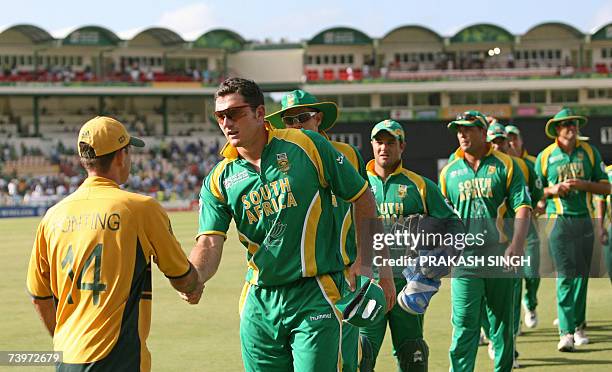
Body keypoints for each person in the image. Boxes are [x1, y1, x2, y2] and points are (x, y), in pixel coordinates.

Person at [187, 78, 391, 371]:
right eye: (220, 116)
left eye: (234, 113)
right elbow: (208, 242)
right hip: (259, 300)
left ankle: (356, 351)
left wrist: (371, 263)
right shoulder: (219, 178)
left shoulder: (307, 146)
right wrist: (194, 277)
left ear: (259, 114)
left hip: (315, 292)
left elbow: (362, 197)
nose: (226, 122)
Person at [26, 116, 201, 371]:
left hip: (68, 359)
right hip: (119, 358)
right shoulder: (141, 209)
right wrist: (194, 285)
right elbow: (182, 276)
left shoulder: (53, 216)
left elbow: (38, 296)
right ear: (121, 156)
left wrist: (66, 341)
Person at [265, 89, 395, 372]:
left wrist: (384, 274)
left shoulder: (347, 154)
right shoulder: (279, 163)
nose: (296, 125)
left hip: (344, 278)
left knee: (342, 364)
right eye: (289, 121)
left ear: (319, 119)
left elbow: (369, 214)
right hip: (297, 283)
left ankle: (358, 352)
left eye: (303, 117)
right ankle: (360, 351)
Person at [362, 119, 461, 371]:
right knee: (360, 355)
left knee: (412, 354)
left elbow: (455, 225)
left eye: (391, 142)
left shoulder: (420, 185)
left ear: (402, 146)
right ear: (372, 145)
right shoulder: (357, 183)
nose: (384, 148)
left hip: (407, 284)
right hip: (367, 284)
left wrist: (443, 257)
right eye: (379, 142)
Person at [439, 110, 531, 372]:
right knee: (464, 321)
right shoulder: (449, 173)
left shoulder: (506, 165)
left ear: (482, 132)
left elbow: (523, 206)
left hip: (500, 254)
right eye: (458, 130)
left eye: (468, 129)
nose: (462, 134)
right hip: (465, 259)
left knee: (502, 323)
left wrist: (517, 244)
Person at [534, 108, 610, 351]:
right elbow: (535, 191)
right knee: (565, 276)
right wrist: (552, 190)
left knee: (581, 276)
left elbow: (607, 187)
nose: (572, 127)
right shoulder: (545, 156)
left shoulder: (589, 152)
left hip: (585, 220)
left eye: (574, 123)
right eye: (566, 124)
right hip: (558, 221)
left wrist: (584, 184)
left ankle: (579, 326)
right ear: (557, 128)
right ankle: (566, 332)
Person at [505, 124, 543, 328]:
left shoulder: (529, 164)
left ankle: (531, 303)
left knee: (532, 272)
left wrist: (536, 206)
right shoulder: (497, 165)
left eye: (514, 138)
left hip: (530, 230)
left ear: (520, 141)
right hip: (505, 232)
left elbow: (539, 196)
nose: (511, 142)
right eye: (506, 138)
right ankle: (513, 319)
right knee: (512, 276)